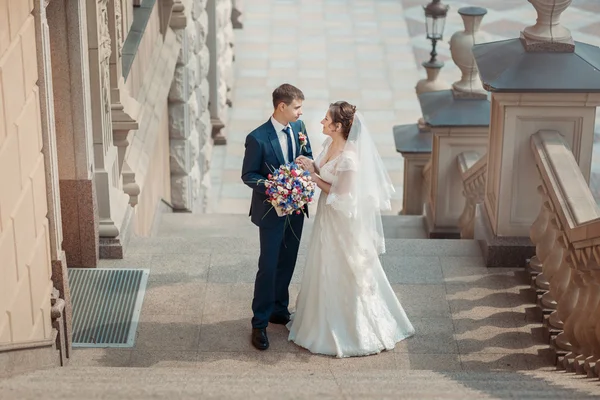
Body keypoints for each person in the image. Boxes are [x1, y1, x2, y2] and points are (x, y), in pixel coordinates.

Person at [290, 101, 415, 357]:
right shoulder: (330, 144)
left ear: (338, 126)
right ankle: (318, 320)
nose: (322, 122)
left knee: (343, 266)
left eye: (326, 119)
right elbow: (326, 172)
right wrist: (311, 166)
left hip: (342, 221)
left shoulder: (350, 157)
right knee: (323, 263)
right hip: (328, 216)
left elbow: (343, 194)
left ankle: (348, 329)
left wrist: (313, 178)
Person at [241, 84, 313, 351]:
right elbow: (249, 175)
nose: (300, 112)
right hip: (271, 212)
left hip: (296, 209)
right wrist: (274, 188)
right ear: (281, 106)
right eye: (296, 107)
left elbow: (307, 157)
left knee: (288, 260)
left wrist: (301, 181)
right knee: (268, 265)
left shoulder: (300, 128)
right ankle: (259, 323)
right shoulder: (257, 138)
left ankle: (279, 309)